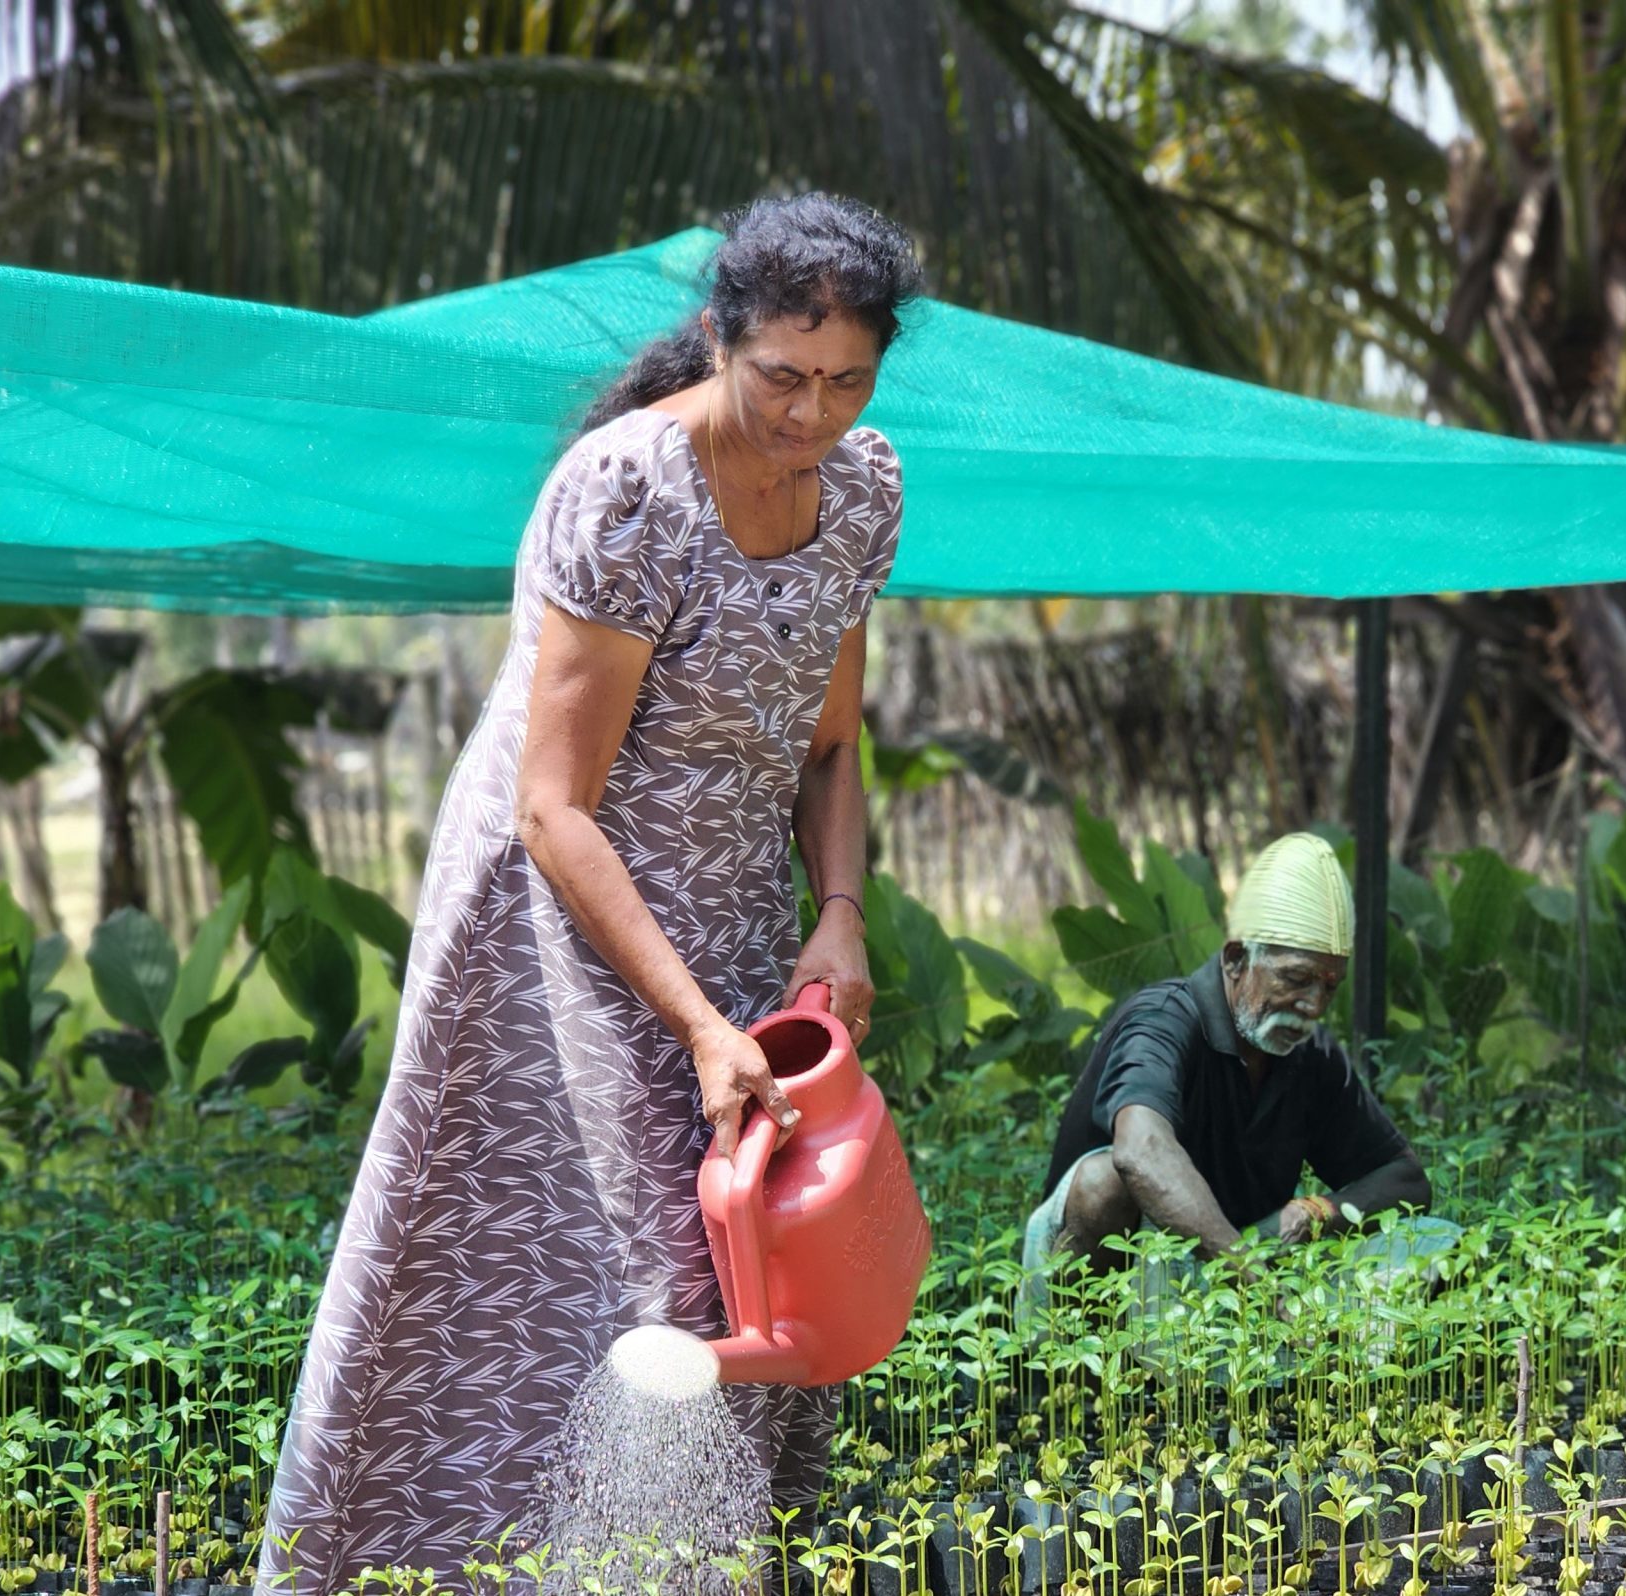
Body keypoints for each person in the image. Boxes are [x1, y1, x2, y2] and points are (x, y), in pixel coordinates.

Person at [260, 194, 920, 1592]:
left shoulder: (860, 493)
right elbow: (553, 808)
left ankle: (701, 1563)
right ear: (721, 343)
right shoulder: (630, 493)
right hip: (557, 922)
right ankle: (465, 1562)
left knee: (754, 1238)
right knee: (620, 1253)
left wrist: (842, 906)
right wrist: (694, 1026)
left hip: (733, 902)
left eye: (847, 380)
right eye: (782, 378)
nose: (812, 412)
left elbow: (830, 741)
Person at [1021, 833, 1439, 1320]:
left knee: (1437, 1243)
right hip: (1120, 1292)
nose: (1313, 1006)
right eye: (1296, 978)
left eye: (1330, 987)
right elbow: (1139, 1151)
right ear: (1236, 958)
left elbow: (1405, 1178)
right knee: (1103, 1182)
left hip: (1225, 1283)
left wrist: (1313, 1212)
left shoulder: (1307, 1051)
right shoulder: (1163, 1020)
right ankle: (1083, 1386)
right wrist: (1253, 1282)